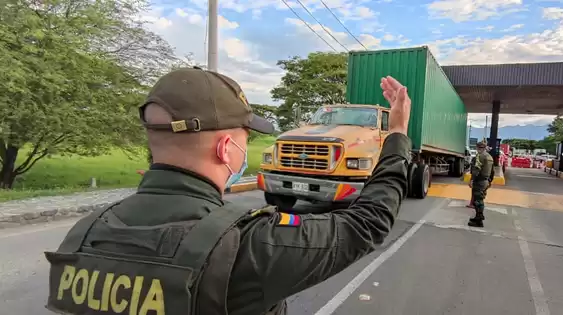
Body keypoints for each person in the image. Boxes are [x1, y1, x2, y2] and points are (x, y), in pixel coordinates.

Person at [44, 68, 413, 315]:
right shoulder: (249, 245)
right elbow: (369, 223)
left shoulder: (82, 236)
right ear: (226, 149)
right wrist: (397, 133)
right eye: (244, 139)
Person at [468, 142, 494, 227]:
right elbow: (492, 171)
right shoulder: (489, 157)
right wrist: (490, 181)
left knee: (478, 201)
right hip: (485, 181)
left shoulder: (480, 156)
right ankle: (477, 217)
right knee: (480, 199)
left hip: (479, 181)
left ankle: (479, 220)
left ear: (478, 148)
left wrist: (471, 180)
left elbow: (476, 170)